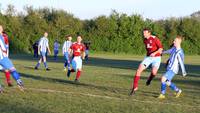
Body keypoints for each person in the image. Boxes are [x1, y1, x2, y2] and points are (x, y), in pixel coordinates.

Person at [130, 28, 163, 95]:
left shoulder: (154, 38)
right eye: (143, 33)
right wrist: (150, 55)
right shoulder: (145, 40)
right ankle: (135, 87)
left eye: (145, 33)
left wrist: (154, 53)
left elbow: (161, 49)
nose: (143, 34)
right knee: (139, 70)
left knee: (154, 72)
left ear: (149, 33)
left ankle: (149, 80)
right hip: (148, 57)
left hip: (157, 58)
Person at [0, 25, 24, 92]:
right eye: (0, 28)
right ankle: (19, 82)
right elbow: (5, 47)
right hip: (2, 57)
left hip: (3, 56)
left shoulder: (3, 36)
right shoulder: (2, 36)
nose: (1, 29)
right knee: (12, 69)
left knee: (9, 70)